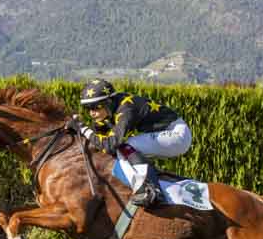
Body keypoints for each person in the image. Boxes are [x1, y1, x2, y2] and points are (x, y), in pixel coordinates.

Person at [67, 78, 192, 207]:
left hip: (177, 135)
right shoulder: (113, 106)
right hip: (164, 133)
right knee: (125, 147)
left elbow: (110, 145)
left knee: (127, 146)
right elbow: (98, 137)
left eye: (96, 107)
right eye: (87, 107)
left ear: (109, 102)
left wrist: (83, 128)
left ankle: (150, 190)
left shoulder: (126, 110)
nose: (92, 113)